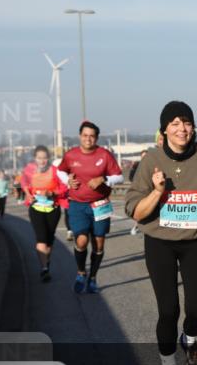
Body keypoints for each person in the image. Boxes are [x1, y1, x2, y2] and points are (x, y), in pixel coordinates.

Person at [126, 101, 197, 365]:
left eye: (186, 122)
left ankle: (190, 339)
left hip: (196, 240)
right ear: (163, 130)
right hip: (160, 242)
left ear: (193, 126)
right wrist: (158, 191)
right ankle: (168, 363)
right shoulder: (152, 160)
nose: (181, 129)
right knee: (168, 309)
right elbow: (135, 210)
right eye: (174, 123)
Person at [58, 121, 124, 293]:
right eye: (85, 135)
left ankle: (93, 277)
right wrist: (67, 181)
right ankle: (81, 272)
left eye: (92, 136)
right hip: (78, 205)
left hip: (100, 204)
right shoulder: (71, 155)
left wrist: (104, 179)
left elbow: (119, 177)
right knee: (81, 240)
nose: (88, 139)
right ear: (80, 136)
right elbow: (60, 170)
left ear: (96, 138)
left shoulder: (104, 155)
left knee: (99, 244)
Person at [21, 146, 69, 282]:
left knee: (49, 239)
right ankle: (44, 269)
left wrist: (51, 193)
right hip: (36, 208)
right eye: (39, 158)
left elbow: (64, 187)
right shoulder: (30, 169)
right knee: (41, 239)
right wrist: (27, 193)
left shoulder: (55, 171)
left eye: (44, 158)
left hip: (52, 208)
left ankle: (46, 262)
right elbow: (24, 181)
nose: (42, 161)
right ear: (35, 158)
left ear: (48, 158)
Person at [129, 149, 148, 236]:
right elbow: (131, 178)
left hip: (150, 191)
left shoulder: (153, 164)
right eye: (143, 156)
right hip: (140, 191)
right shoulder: (137, 166)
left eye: (146, 156)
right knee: (140, 210)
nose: (144, 158)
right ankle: (136, 226)